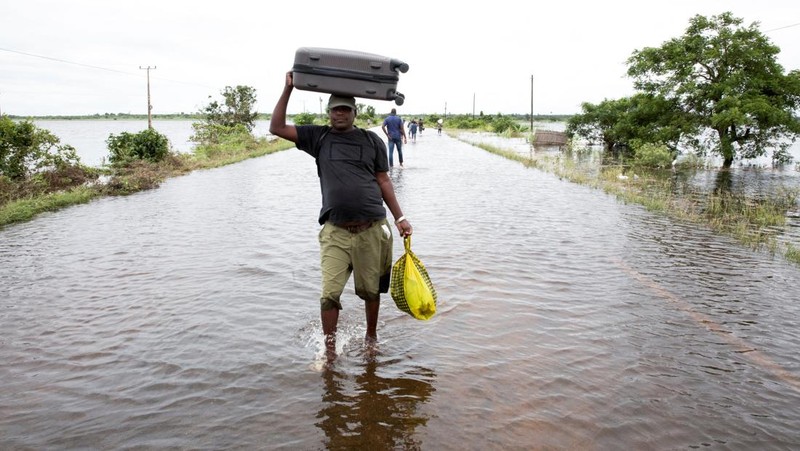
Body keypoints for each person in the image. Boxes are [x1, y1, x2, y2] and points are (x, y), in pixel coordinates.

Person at [269, 72, 413, 361]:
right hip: (334, 231)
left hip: (371, 228)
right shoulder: (318, 136)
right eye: (336, 109)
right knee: (329, 293)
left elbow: (383, 180)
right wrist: (287, 90)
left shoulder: (371, 140)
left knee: (371, 291)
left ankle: (371, 337)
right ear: (329, 113)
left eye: (346, 109)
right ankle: (330, 350)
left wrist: (400, 218)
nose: (340, 114)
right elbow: (276, 127)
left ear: (355, 113)